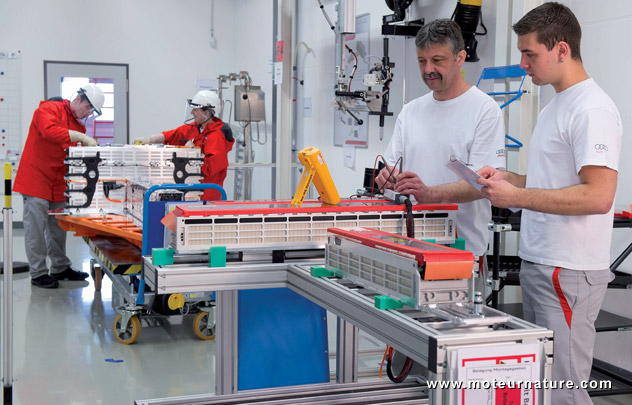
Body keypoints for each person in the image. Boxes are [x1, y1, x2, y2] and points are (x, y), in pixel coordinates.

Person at [477, 3, 622, 404]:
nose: (523, 64)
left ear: (561, 49)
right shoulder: (555, 103)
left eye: (530, 54)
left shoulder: (591, 108)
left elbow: (598, 194)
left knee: (565, 391)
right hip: (542, 264)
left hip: (569, 271)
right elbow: (549, 184)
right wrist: (510, 180)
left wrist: (518, 196)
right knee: (544, 388)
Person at [375, 19, 506, 285]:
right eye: (422, 61)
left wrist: (429, 194)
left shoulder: (484, 110)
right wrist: (387, 177)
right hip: (410, 248)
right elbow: (391, 167)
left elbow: (484, 184)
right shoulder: (411, 111)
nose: (428, 69)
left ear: (460, 58)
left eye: (437, 60)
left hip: (460, 255)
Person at [13, 84, 104, 288]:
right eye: (88, 108)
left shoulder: (79, 125)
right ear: (79, 99)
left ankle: (60, 267)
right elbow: (49, 131)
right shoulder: (48, 109)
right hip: (35, 179)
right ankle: (38, 273)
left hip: (58, 182)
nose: (88, 113)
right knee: (35, 228)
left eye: (92, 112)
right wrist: (80, 137)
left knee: (58, 227)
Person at [136, 90, 234, 200]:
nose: (192, 112)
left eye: (195, 109)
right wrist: (150, 139)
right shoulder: (197, 127)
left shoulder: (216, 136)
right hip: (192, 192)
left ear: (206, 113)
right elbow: (174, 135)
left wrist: (192, 155)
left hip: (207, 198)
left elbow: (210, 168)